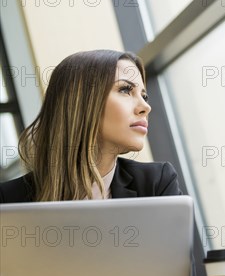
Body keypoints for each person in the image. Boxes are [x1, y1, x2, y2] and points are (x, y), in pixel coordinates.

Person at [0, 49, 182, 203]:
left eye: (144, 96)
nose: (145, 107)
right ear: (81, 102)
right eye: (125, 90)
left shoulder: (156, 184)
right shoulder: (7, 200)